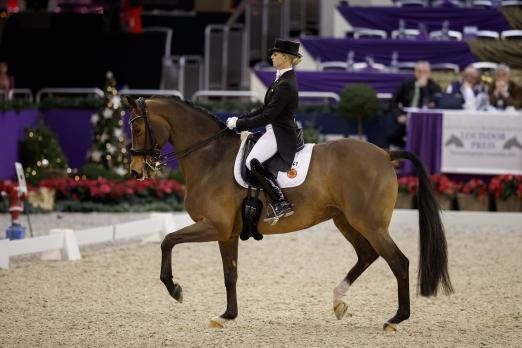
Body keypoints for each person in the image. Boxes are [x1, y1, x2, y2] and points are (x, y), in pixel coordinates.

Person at [226, 39, 301, 224]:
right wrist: (240, 120)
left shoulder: (285, 84)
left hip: (279, 132)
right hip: (274, 128)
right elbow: (264, 108)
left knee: (253, 161)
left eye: (275, 54)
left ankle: (281, 202)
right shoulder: (281, 79)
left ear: (285, 57)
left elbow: (268, 116)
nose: (272, 57)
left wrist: (241, 125)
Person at [387, 61, 442, 148]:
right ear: (415, 72)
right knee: (392, 136)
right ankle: (407, 151)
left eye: (425, 72)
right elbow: (393, 101)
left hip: (425, 121)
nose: (422, 74)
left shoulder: (434, 86)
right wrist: (399, 116)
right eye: (419, 71)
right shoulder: (407, 84)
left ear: (429, 73)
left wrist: (423, 88)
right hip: (406, 118)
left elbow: (432, 104)